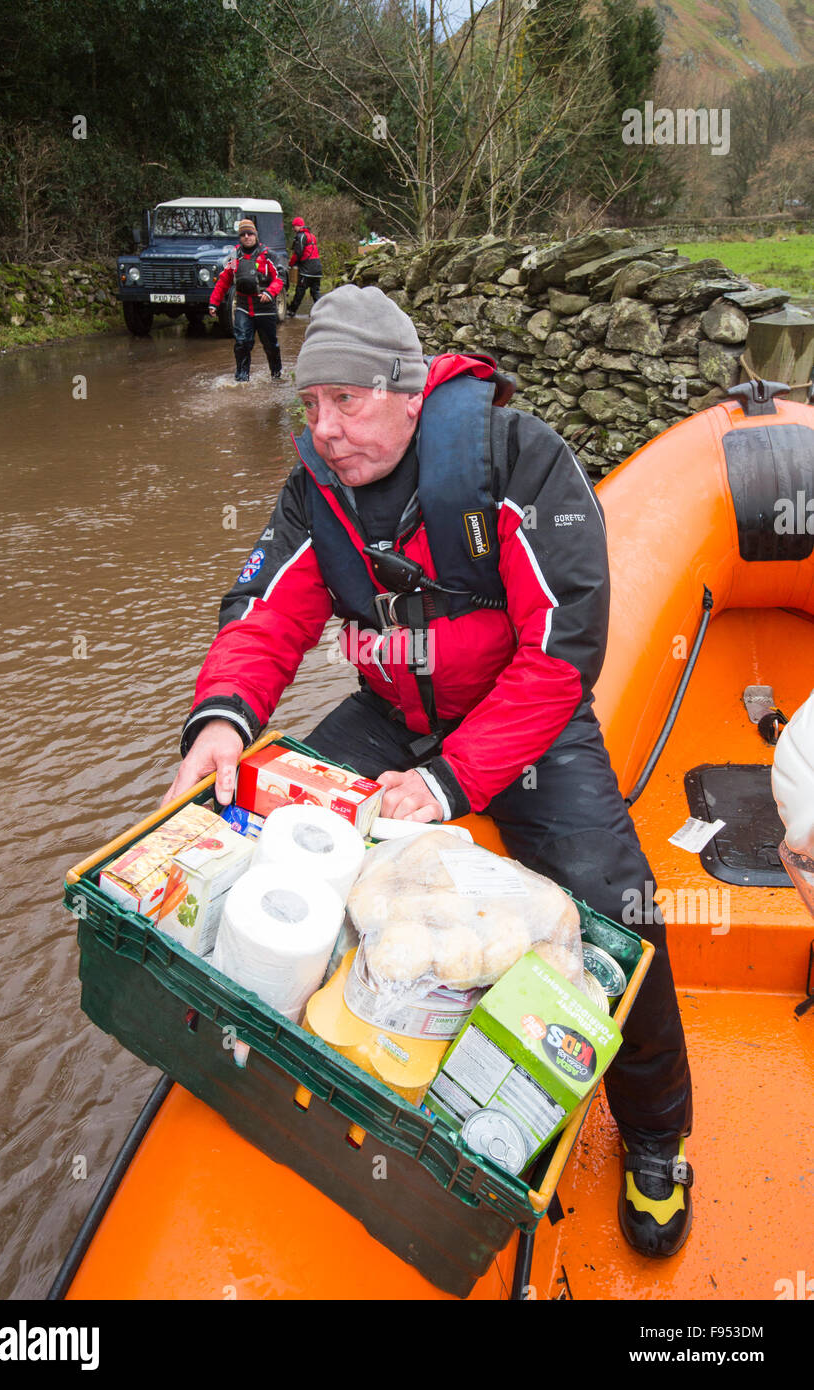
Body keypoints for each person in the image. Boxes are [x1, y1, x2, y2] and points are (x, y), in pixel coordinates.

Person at [166, 284, 694, 1259]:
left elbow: (560, 653)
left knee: (615, 900)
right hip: (389, 707)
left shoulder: (515, 460)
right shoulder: (313, 493)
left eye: (347, 402)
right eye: (310, 404)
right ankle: (292, 1031)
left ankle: (657, 1134)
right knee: (273, 824)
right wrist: (221, 719)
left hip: (520, 720)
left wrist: (450, 783)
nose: (324, 429)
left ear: (409, 393)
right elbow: (267, 616)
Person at [208, 218, 284, 381]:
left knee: (271, 346)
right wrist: (214, 303)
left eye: (250, 234)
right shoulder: (234, 257)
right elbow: (223, 282)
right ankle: (242, 379)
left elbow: (279, 278)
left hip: (265, 308)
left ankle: (277, 376)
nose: (247, 237)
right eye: (243, 234)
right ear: (240, 237)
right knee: (242, 343)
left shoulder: (268, 255)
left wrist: (270, 292)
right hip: (243, 307)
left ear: (256, 235)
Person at [287, 216, 323, 317]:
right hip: (317, 268)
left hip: (307, 270)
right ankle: (322, 312)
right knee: (315, 292)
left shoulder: (300, 236)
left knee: (300, 291)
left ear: (298, 226)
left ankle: (291, 311)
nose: (293, 229)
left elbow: (298, 253)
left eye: (294, 226)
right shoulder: (312, 236)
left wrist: (291, 264)